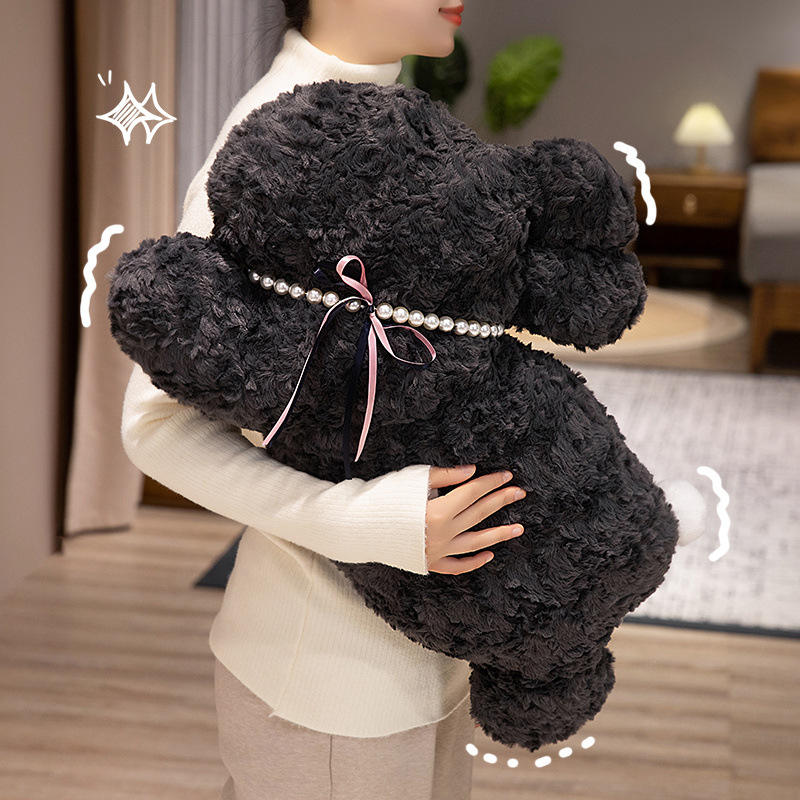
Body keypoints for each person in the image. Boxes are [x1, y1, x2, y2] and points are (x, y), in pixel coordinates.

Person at [119, 1, 527, 797]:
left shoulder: (400, 120)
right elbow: (155, 425)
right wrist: (371, 521)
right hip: (330, 682)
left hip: (424, 656)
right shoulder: (272, 142)